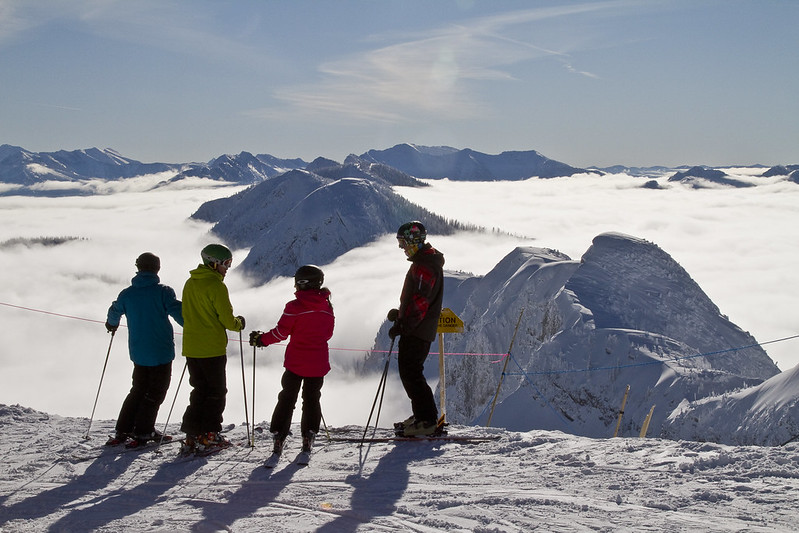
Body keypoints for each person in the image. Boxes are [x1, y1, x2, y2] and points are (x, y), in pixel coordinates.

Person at [249, 265, 335, 456]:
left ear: (302, 283)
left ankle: (279, 435)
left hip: (296, 361)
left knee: (287, 397)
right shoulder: (327, 306)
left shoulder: (294, 307)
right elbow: (328, 333)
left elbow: (281, 332)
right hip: (318, 363)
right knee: (312, 398)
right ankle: (309, 434)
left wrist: (262, 340)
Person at [105, 252, 183, 447]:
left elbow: (114, 311)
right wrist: (196, 325)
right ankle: (143, 431)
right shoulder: (164, 292)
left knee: (138, 389)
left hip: (138, 352)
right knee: (156, 391)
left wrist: (111, 324)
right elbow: (179, 314)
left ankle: (123, 429)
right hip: (161, 351)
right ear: (157, 269)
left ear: (138, 268)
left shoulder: (127, 294)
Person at [179, 244, 245, 454]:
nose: (227, 268)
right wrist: (238, 323)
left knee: (199, 390)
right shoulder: (216, 286)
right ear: (213, 263)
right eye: (225, 264)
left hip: (191, 347)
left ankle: (193, 434)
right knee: (216, 392)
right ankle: (209, 435)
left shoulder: (191, 283)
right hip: (212, 349)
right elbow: (226, 319)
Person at [388, 221, 445, 437]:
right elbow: (417, 299)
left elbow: (421, 301)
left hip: (417, 330)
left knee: (411, 373)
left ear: (413, 241)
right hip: (419, 328)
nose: (401, 247)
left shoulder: (424, 266)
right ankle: (422, 415)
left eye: (403, 242)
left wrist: (404, 324)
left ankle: (427, 420)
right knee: (411, 372)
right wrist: (400, 314)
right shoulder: (424, 263)